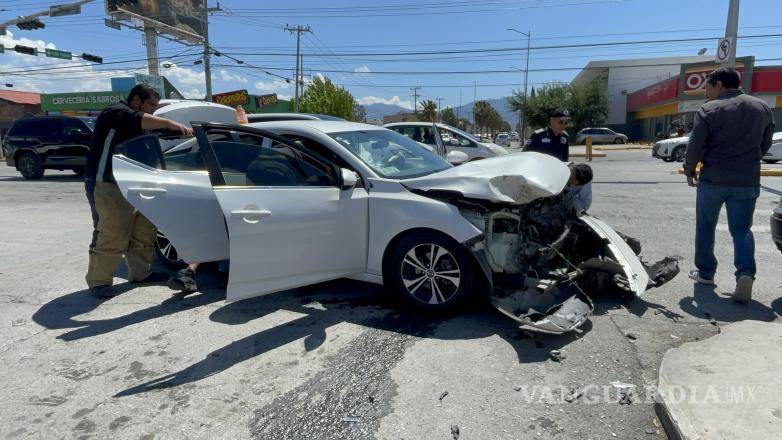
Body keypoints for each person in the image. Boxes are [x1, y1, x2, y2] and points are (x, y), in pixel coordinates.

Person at [85, 84, 193, 299]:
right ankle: (99, 281)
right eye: (151, 104)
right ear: (136, 99)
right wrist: (171, 123)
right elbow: (143, 120)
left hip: (138, 183)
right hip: (108, 182)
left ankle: (141, 273)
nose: (153, 109)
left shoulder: (141, 121)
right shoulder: (115, 112)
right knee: (112, 232)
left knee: (143, 231)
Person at [683, 67, 775, 303]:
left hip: (713, 179)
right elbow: (764, 144)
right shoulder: (761, 107)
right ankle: (745, 274)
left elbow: (695, 145)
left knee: (706, 227)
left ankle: (705, 274)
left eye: (708, 87)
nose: (707, 91)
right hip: (747, 180)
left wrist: (690, 169)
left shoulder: (708, 109)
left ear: (719, 85)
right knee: (742, 230)